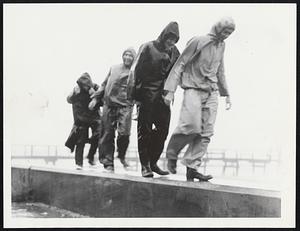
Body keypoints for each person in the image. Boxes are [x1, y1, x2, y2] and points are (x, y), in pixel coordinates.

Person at [163, 17, 235, 181]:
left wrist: (226, 93)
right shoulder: (198, 41)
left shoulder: (222, 45)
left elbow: (220, 69)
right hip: (193, 88)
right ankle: (172, 153)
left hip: (212, 91)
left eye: (230, 33)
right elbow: (180, 64)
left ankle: (192, 167)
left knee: (206, 132)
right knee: (191, 125)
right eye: (225, 31)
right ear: (218, 28)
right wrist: (170, 91)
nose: (226, 35)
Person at [128, 22, 180, 177]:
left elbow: (179, 70)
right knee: (144, 131)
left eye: (174, 39)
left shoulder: (175, 52)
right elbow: (134, 72)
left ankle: (153, 162)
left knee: (163, 130)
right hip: (146, 95)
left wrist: (171, 92)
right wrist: (134, 97)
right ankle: (145, 166)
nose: (171, 42)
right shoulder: (148, 47)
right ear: (164, 35)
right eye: (169, 38)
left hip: (163, 98)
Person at [89, 48, 136, 172]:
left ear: (134, 58)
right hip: (109, 105)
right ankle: (107, 162)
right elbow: (104, 84)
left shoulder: (136, 71)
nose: (127, 57)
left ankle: (121, 155)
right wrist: (95, 99)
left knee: (124, 133)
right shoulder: (114, 68)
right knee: (106, 134)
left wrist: (138, 106)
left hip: (125, 105)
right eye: (125, 54)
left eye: (130, 55)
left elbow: (139, 90)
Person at [65, 72, 103, 170]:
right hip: (82, 118)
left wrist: (95, 96)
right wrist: (74, 93)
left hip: (94, 117)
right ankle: (79, 163)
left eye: (87, 85)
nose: (86, 87)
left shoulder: (95, 87)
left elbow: (104, 100)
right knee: (80, 140)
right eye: (84, 85)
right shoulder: (77, 89)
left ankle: (91, 156)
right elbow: (69, 100)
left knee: (98, 135)